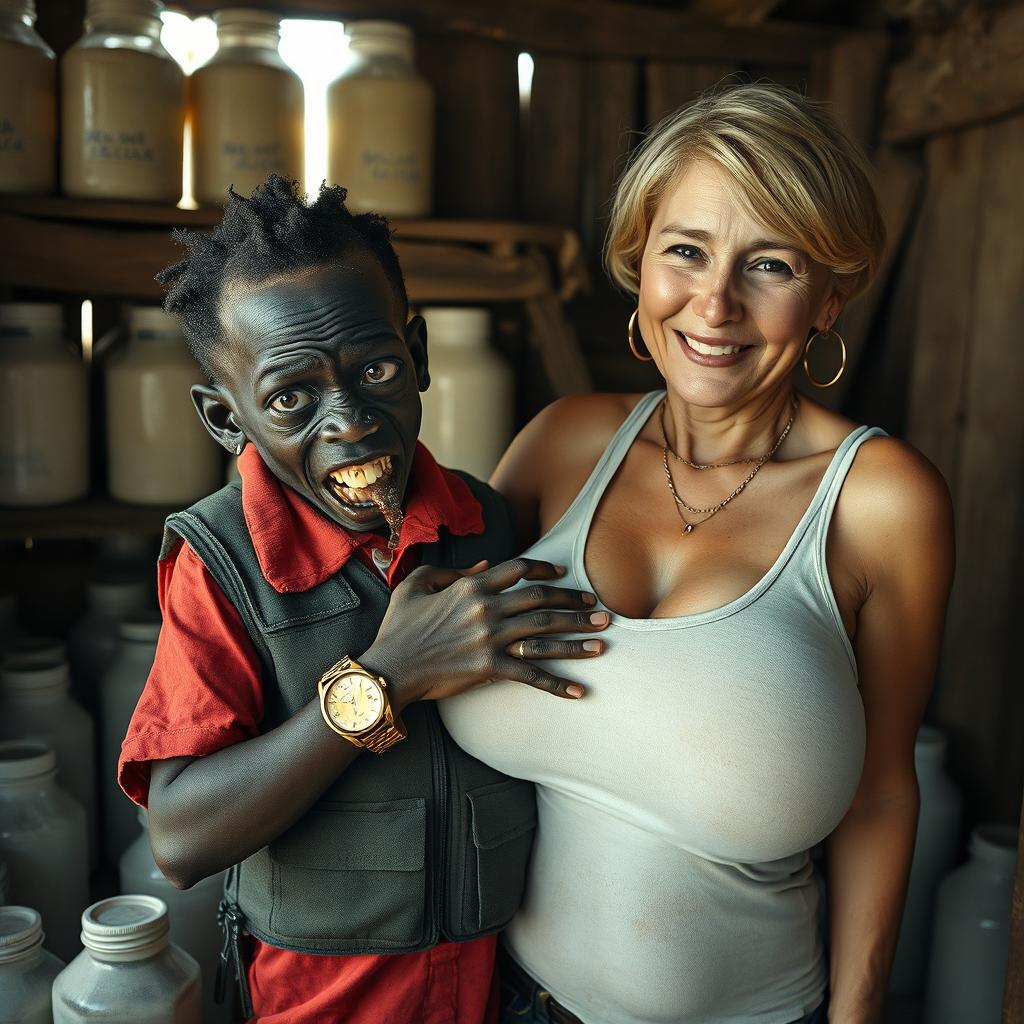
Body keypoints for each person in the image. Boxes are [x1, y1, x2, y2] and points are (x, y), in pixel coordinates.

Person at [440, 84, 956, 1024]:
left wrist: (858, 1014)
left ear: (829, 296)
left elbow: (883, 788)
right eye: (686, 252)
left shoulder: (881, 501)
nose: (714, 304)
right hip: (505, 1000)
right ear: (640, 266)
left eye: (769, 264)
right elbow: (430, 644)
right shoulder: (560, 447)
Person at [116, 176, 610, 1024]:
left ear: (417, 355)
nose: (350, 420)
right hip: (323, 1007)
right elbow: (181, 839)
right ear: (226, 418)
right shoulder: (223, 563)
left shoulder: (486, 520)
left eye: (376, 368)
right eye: (289, 398)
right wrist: (385, 679)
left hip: (498, 991)